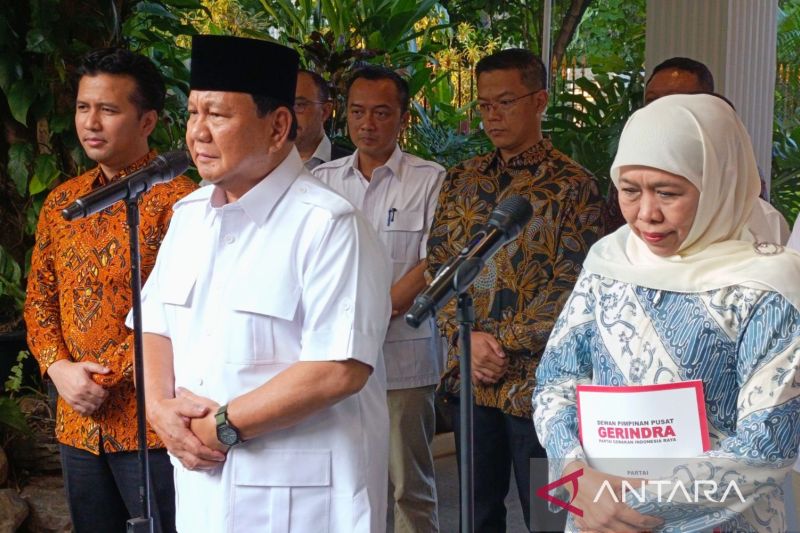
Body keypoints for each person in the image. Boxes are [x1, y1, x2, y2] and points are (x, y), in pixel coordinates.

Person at [137, 35, 392, 532]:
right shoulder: (189, 216)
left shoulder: (329, 224)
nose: (198, 133)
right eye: (192, 114)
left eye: (217, 115)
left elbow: (339, 368)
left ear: (277, 127)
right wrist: (159, 409)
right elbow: (154, 325)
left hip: (303, 503)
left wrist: (222, 426)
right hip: (204, 492)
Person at [533, 93, 800, 532]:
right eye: (629, 191)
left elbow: (768, 441)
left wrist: (634, 506)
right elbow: (556, 380)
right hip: (598, 513)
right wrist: (573, 473)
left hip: (717, 520)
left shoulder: (766, 284)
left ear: (718, 183)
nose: (646, 214)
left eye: (668, 193)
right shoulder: (609, 262)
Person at [426, 48, 605, 532]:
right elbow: (440, 266)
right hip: (472, 379)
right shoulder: (461, 180)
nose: (492, 116)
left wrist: (498, 344)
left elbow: (575, 286)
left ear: (539, 100)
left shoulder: (575, 186)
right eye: (484, 105)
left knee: (550, 517)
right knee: (475, 515)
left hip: (540, 386)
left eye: (505, 102)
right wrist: (466, 339)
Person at [24, 47, 196, 532]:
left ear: (147, 121)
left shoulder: (184, 204)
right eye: (83, 107)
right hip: (78, 423)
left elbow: (181, 311)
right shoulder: (63, 201)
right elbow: (39, 299)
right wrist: (58, 369)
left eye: (108, 109)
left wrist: (99, 379)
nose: (91, 123)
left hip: (152, 427)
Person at [313, 65, 445, 533]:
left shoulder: (430, 179)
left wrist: (373, 312)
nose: (367, 124)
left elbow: (433, 260)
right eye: (357, 112)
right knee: (344, 482)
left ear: (403, 118)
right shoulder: (323, 180)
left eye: (381, 113)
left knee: (409, 486)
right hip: (337, 358)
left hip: (404, 357)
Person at [605, 56, 790, 244]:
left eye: (667, 193)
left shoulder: (737, 178)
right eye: (652, 100)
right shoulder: (611, 250)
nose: (647, 214)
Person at [295, 69, 352, 170]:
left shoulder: (352, 166)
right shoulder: (267, 163)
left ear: (325, 111)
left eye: (299, 105)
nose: (288, 115)